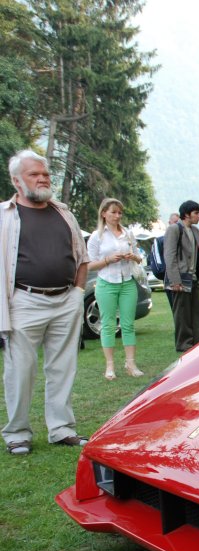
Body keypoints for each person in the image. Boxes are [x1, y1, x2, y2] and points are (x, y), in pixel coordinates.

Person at [1, 149, 90, 455]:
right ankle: (17, 433)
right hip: (24, 300)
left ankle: (61, 428)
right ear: (16, 180)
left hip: (66, 299)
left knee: (63, 367)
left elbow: (82, 256)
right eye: (33, 174)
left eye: (45, 174)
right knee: (20, 369)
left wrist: (78, 293)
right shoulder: (4, 216)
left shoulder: (63, 212)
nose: (41, 179)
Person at [87, 197, 145, 379]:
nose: (117, 215)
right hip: (106, 282)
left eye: (120, 212)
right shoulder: (97, 236)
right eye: (113, 212)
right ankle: (110, 366)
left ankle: (131, 363)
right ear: (104, 213)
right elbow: (89, 264)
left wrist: (132, 257)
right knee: (108, 324)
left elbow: (139, 257)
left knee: (128, 324)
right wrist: (108, 260)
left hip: (127, 281)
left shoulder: (127, 233)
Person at [164, 199, 199, 352]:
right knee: (182, 314)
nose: (198, 216)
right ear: (187, 215)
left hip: (194, 279)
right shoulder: (174, 229)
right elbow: (170, 256)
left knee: (197, 312)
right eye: (196, 213)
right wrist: (175, 280)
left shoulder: (195, 231)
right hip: (180, 279)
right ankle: (184, 343)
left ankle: (197, 340)